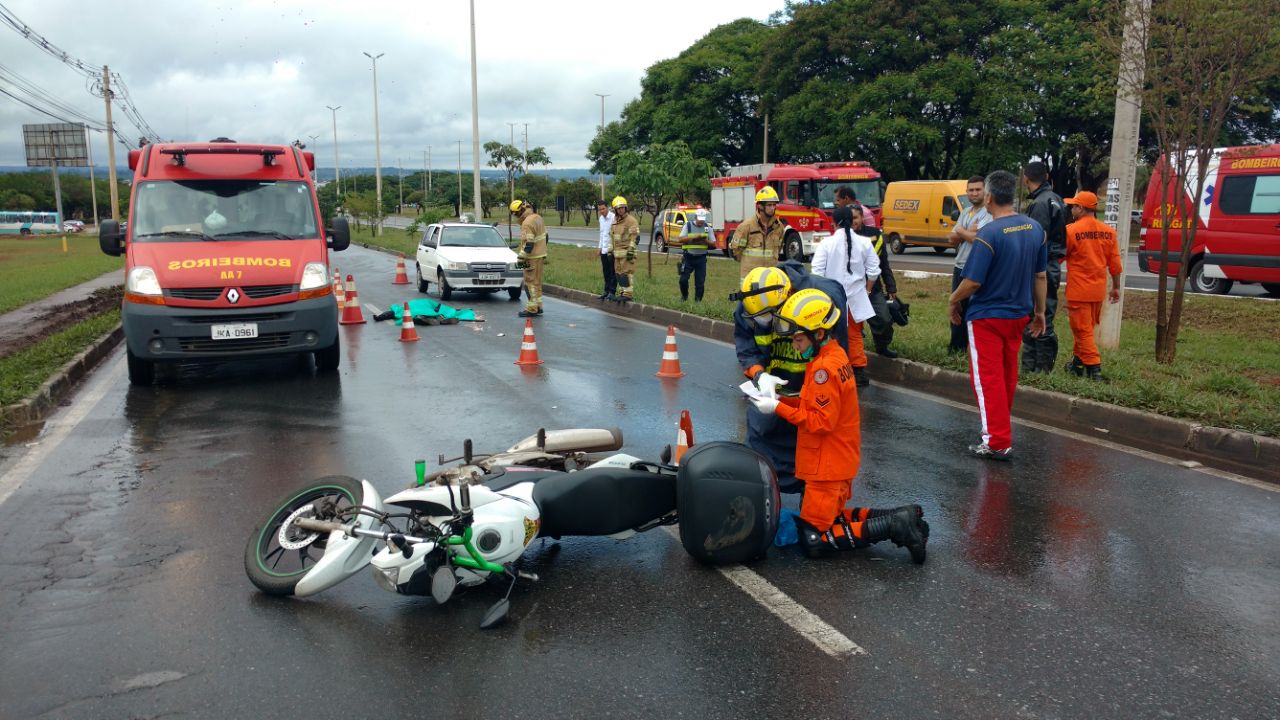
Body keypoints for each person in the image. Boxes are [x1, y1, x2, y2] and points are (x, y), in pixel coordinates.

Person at [750, 289, 928, 562]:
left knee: (814, 538)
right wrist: (782, 399)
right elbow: (817, 406)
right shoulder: (833, 357)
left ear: (819, 334)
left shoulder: (824, 370)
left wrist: (777, 409)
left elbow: (820, 421)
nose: (795, 346)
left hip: (827, 466)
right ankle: (901, 515)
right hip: (834, 462)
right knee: (830, 518)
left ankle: (895, 526)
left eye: (798, 339)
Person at [949, 170, 1048, 460]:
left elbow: (973, 282)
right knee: (1006, 375)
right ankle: (999, 430)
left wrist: (952, 301)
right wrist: (1039, 312)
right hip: (1019, 315)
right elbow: (1040, 275)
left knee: (986, 378)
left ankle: (996, 441)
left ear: (989, 197)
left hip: (987, 317)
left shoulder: (989, 233)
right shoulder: (1034, 229)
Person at [733, 262, 849, 493]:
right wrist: (760, 375)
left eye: (771, 317)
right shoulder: (752, 303)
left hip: (810, 401)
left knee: (814, 474)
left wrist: (812, 390)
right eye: (760, 318)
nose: (765, 322)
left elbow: (835, 355)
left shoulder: (822, 299)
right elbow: (746, 348)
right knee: (756, 470)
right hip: (772, 399)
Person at [811, 205, 879, 387]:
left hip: (831, 298)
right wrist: (867, 290)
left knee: (831, 335)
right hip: (856, 298)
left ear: (833, 222)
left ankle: (835, 369)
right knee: (855, 335)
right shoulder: (865, 243)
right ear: (852, 219)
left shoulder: (826, 243)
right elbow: (874, 271)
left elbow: (816, 271)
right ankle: (857, 372)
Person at [1062, 190, 1123, 382]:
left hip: (1078, 290)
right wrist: (1116, 287)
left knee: (1082, 330)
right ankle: (1076, 364)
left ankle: (1094, 369)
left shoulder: (1070, 231)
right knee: (1086, 328)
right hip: (1098, 290)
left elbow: (1059, 257)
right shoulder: (1108, 232)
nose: (1072, 209)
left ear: (1080, 208)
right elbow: (1115, 264)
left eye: (1074, 206)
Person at [1020, 161, 1067, 373]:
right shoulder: (1055, 199)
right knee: (1037, 313)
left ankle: (1040, 370)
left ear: (1026, 179)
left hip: (1043, 265)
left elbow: (1038, 238)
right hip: (1051, 263)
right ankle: (1031, 368)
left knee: (1040, 315)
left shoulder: (1040, 203)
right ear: (1047, 177)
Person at [947, 176, 994, 354]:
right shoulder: (966, 211)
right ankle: (956, 348)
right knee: (956, 306)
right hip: (959, 266)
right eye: (971, 190)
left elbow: (980, 239)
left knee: (973, 309)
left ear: (985, 191)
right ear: (966, 192)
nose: (974, 193)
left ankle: (973, 349)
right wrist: (965, 231)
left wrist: (961, 231)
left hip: (977, 267)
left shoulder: (989, 213)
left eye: (978, 189)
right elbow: (951, 239)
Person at [851, 206, 899, 362]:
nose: (853, 222)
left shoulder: (874, 235)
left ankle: (882, 347)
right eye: (850, 219)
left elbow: (883, 264)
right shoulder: (841, 237)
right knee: (849, 328)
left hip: (872, 289)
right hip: (850, 291)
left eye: (855, 218)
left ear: (862, 218)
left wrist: (891, 286)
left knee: (884, 319)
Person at [731, 186, 784, 279]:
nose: (772, 208)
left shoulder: (779, 227)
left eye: (774, 205)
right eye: (769, 205)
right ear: (759, 206)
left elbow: (778, 249)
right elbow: (736, 251)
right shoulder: (746, 226)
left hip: (770, 279)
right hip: (750, 279)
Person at [511, 199, 548, 318]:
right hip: (540, 255)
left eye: (514, 213)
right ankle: (539, 306)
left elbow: (529, 244)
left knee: (528, 283)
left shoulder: (526, 223)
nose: (514, 216)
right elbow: (546, 237)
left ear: (518, 212)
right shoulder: (537, 217)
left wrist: (521, 258)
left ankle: (532, 308)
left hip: (530, 258)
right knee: (537, 282)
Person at [677, 209, 716, 302]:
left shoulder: (708, 228)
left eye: (703, 219)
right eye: (699, 219)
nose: (701, 221)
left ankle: (698, 301)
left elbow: (714, 244)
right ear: (695, 217)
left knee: (700, 283)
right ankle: (684, 296)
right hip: (688, 257)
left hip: (701, 259)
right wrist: (694, 237)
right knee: (683, 280)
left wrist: (705, 241)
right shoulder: (688, 225)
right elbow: (680, 239)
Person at [608, 196, 640, 303]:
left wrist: (631, 250)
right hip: (617, 254)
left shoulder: (631, 221)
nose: (621, 210)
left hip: (627, 253)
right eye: (618, 208)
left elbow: (634, 237)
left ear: (626, 208)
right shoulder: (614, 222)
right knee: (619, 273)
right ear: (615, 210)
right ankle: (622, 292)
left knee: (627, 273)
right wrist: (609, 251)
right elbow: (611, 236)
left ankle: (628, 294)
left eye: (622, 207)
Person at [596, 199, 616, 300]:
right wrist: (599, 247)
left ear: (607, 208)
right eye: (600, 209)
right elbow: (602, 234)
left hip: (611, 250)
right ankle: (606, 290)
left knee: (612, 271)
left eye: (603, 209)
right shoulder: (600, 219)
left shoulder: (613, 218)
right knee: (606, 271)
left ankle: (612, 292)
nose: (602, 211)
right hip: (603, 249)